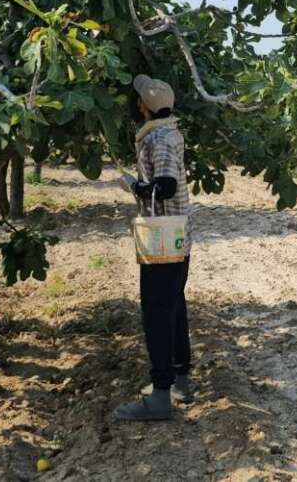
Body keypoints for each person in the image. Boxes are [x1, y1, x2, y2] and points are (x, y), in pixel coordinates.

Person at [115, 75, 195, 421]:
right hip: (177, 236)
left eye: (137, 100)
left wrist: (135, 185)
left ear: (145, 106)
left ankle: (160, 395)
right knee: (174, 306)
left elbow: (165, 186)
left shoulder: (158, 139)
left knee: (157, 313)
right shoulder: (170, 132)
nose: (135, 104)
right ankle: (180, 379)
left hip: (162, 239)